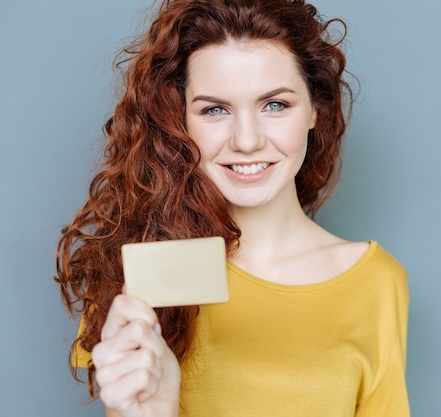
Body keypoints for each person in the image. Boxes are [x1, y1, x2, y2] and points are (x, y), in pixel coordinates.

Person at [55, 0, 410, 416]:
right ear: (179, 121)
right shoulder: (141, 274)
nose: (246, 140)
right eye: (215, 109)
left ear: (315, 109)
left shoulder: (376, 283)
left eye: (275, 104)